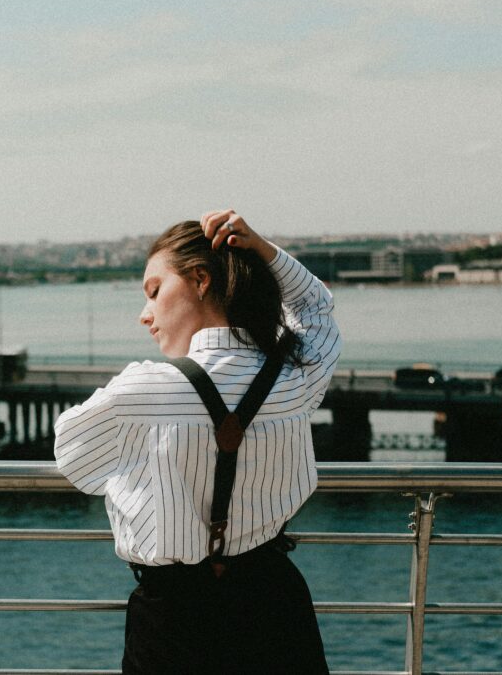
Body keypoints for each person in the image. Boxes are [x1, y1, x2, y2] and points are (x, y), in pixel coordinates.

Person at [54, 210, 341, 674]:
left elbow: (75, 458)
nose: (144, 314)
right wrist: (260, 248)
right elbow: (316, 308)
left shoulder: (142, 389)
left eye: (154, 291)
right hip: (273, 604)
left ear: (200, 279)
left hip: (175, 619)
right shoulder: (293, 377)